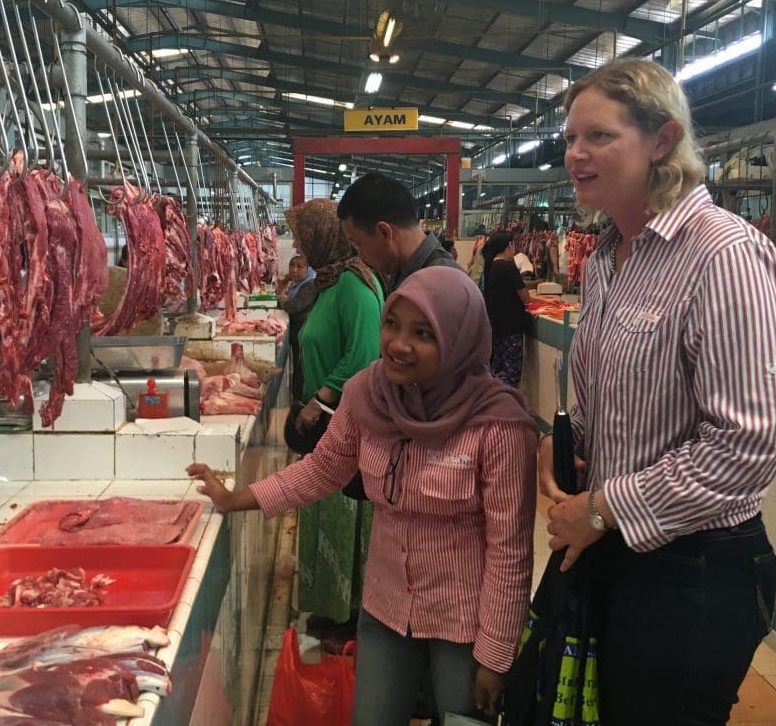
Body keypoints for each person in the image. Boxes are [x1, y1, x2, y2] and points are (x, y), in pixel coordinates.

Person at [541, 58, 776, 726]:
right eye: (570, 138)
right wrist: (572, 450)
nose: (575, 154)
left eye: (598, 136)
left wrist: (602, 508)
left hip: (694, 571)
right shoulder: (606, 259)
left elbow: (749, 444)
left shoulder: (723, 254)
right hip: (620, 557)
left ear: (662, 139)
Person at [188, 267, 537, 725]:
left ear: (459, 339)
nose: (398, 344)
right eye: (392, 324)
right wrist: (238, 498)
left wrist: (495, 654)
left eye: (423, 333)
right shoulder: (367, 395)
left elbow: (510, 549)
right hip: (386, 607)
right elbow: (322, 470)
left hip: (466, 622)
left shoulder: (499, 425)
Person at [284, 198, 384, 627]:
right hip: (326, 425)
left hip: (342, 424)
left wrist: (319, 399)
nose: (299, 246)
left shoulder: (353, 285)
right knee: (322, 514)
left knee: (340, 519)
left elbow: (363, 353)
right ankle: (330, 605)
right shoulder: (330, 282)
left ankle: (347, 615)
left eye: (305, 237)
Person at [337, 172, 459, 293]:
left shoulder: (442, 285)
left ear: (384, 232)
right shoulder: (402, 270)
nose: (361, 257)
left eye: (359, 244)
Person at [480, 232, 532, 388]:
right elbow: (525, 297)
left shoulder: (490, 266)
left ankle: (495, 402)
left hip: (497, 326)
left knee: (498, 369)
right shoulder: (508, 266)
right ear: (509, 245)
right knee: (511, 372)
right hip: (511, 327)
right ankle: (506, 405)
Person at [276, 254, 318, 400]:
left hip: (304, 336)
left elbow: (293, 307)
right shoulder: (296, 285)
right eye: (292, 266)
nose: (294, 270)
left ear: (308, 269)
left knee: (301, 372)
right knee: (298, 370)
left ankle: (300, 403)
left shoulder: (311, 284)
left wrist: (281, 299)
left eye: (299, 266)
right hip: (298, 334)